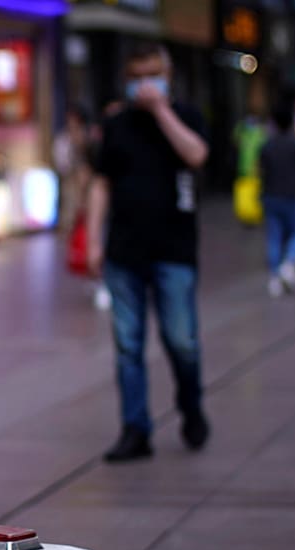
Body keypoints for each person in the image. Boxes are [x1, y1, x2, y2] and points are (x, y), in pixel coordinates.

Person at [85, 41, 210, 463]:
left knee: (182, 341)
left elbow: (196, 155)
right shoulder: (117, 124)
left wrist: (161, 111)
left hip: (174, 250)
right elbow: (101, 181)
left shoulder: (187, 116)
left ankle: (191, 406)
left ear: (168, 75)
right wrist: (93, 238)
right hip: (124, 251)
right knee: (127, 345)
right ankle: (135, 429)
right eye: (136, 77)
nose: (144, 84)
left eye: (152, 74)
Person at [55, 104, 111, 311]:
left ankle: (103, 281)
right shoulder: (69, 144)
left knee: (98, 239)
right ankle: (96, 278)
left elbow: (95, 179)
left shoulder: (95, 144)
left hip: (94, 201)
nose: (72, 129)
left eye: (75, 125)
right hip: (83, 200)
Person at [259, 98, 295, 297]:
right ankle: (289, 264)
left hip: (271, 196)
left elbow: (261, 169)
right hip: (292, 196)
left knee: (274, 236)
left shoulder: (268, 144)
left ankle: (274, 277)